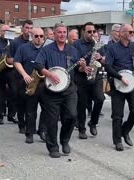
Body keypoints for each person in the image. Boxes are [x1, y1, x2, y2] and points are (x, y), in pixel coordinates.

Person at [34, 23, 85, 158]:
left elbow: (79, 70)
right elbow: (38, 65)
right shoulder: (47, 50)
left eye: (64, 32)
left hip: (69, 89)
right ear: (55, 34)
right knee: (52, 120)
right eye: (59, 32)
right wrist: (50, 74)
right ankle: (53, 147)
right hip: (51, 91)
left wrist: (83, 67)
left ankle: (65, 140)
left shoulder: (73, 50)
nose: (62, 34)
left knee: (72, 115)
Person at [105, 24, 134, 151]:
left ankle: (125, 130)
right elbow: (108, 66)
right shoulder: (112, 48)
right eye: (130, 31)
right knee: (117, 115)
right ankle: (117, 141)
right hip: (118, 84)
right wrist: (119, 77)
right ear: (121, 33)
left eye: (133, 31)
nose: (132, 33)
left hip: (132, 83)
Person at [73, 22, 105, 139]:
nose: (92, 34)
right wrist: (82, 67)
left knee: (100, 99)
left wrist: (100, 58)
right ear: (83, 32)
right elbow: (73, 61)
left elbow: (105, 61)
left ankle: (93, 122)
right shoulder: (76, 44)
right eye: (89, 32)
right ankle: (82, 129)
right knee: (81, 104)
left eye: (93, 32)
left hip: (95, 76)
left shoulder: (98, 44)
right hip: (81, 77)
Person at [13, 27, 45, 143]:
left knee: (46, 109)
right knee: (31, 110)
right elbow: (16, 62)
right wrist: (25, 75)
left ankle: (42, 131)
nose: (39, 38)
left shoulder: (47, 48)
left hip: (44, 83)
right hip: (31, 82)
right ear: (32, 36)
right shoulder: (24, 48)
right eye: (36, 36)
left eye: (41, 36)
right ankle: (30, 133)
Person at [7, 20, 34, 132]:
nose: (29, 30)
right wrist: (21, 58)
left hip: (32, 75)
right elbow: (9, 59)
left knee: (31, 102)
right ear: (22, 28)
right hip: (18, 75)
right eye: (27, 28)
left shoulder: (35, 41)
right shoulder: (15, 42)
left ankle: (29, 125)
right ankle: (21, 124)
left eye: (31, 28)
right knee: (21, 101)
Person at [0, 24, 11, 125]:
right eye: (4, 31)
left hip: (11, 70)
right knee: (0, 94)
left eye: (8, 31)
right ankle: (0, 115)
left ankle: (11, 114)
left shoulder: (12, 41)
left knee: (14, 92)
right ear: (0, 31)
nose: (6, 33)